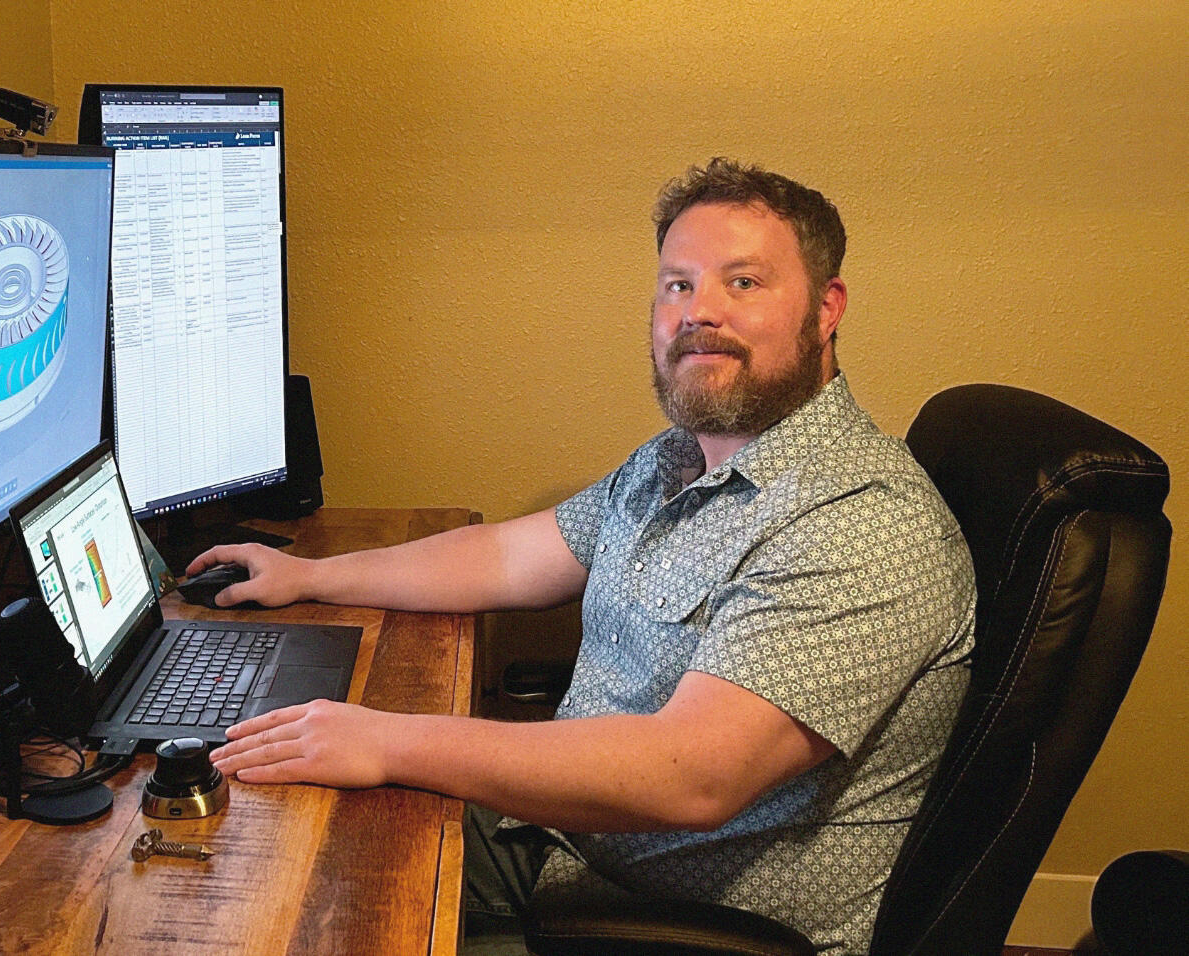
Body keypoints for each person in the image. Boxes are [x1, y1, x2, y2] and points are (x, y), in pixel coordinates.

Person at [189, 158, 976, 955]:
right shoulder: (681, 460)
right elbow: (505, 556)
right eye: (677, 285)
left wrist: (386, 740)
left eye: (743, 283)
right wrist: (311, 575)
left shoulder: (859, 522)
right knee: (273, 841)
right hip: (568, 848)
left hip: (650, 927)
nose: (699, 312)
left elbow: (694, 774)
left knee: (290, 904)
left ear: (827, 307)